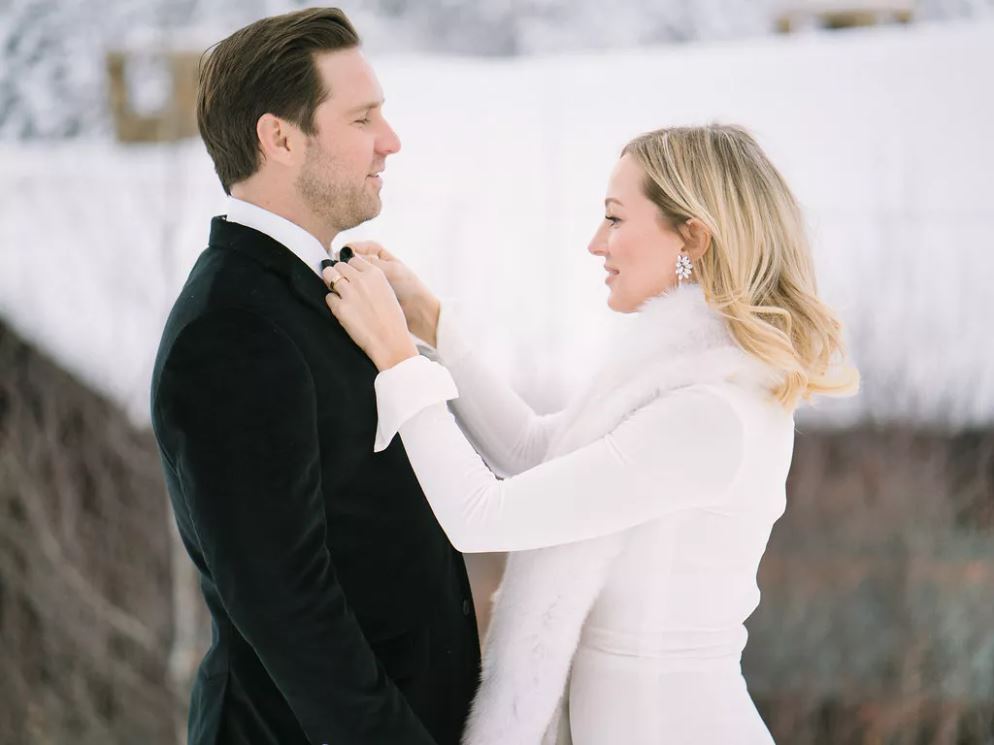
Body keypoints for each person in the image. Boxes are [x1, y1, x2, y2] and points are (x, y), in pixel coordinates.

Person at [322, 124, 859, 744]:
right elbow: (534, 453)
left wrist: (398, 360)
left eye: (614, 219)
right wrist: (431, 325)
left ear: (693, 237)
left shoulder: (712, 414)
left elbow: (481, 515)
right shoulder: (683, 383)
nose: (595, 243)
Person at [149, 9, 479, 744]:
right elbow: (292, 612)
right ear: (280, 138)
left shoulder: (322, 289)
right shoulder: (229, 331)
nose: (390, 141)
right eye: (363, 118)